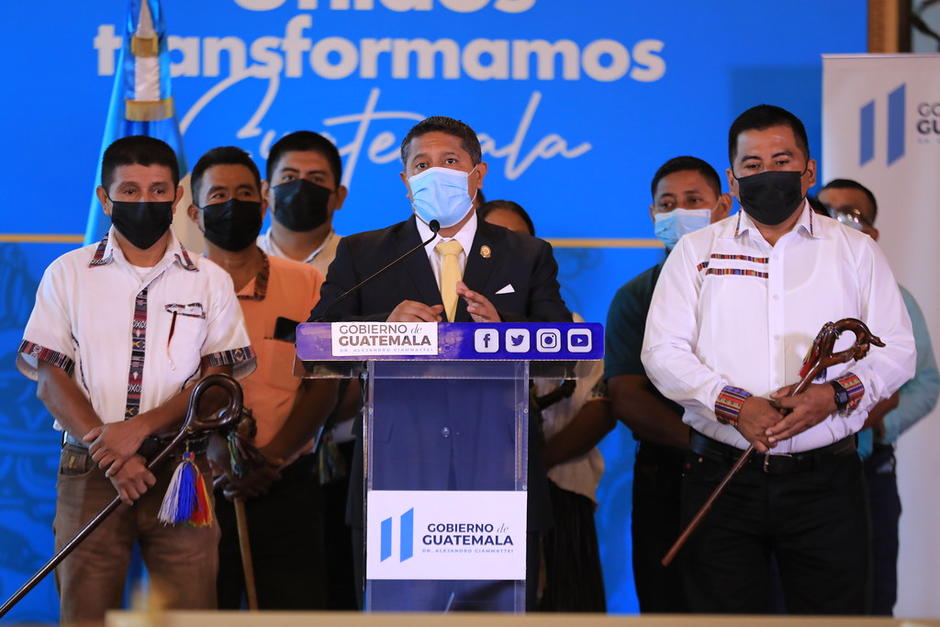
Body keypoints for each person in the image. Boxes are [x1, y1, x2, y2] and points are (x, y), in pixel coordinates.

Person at [641, 105, 915, 614]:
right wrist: (734, 404)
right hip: (719, 474)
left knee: (836, 622)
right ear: (734, 176)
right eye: (752, 164)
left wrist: (834, 395)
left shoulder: (856, 251)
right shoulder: (696, 251)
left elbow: (897, 350)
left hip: (826, 482)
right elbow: (661, 351)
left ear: (808, 171)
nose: (767, 174)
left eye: (781, 160)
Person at [310, 116, 571, 611]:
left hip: (499, 469)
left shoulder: (528, 253)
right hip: (396, 476)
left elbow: (560, 346)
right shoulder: (365, 252)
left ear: (478, 174)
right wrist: (385, 327)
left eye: (449, 162)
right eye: (421, 165)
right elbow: (318, 338)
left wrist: (504, 329)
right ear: (405, 181)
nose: (435, 173)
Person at [16, 136, 256, 623]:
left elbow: (216, 384)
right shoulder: (69, 273)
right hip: (91, 471)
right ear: (105, 199)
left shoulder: (209, 279)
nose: (144, 202)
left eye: (157, 190)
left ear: (176, 197)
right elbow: (49, 377)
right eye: (129, 191)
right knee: (86, 613)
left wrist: (138, 430)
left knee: (188, 615)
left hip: (181, 469)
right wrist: (111, 449)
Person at [187, 146, 340, 609]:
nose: (232, 204)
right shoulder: (174, 287)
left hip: (287, 481)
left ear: (264, 202)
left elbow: (324, 382)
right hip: (195, 483)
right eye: (218, 195)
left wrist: (271, 459)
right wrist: (216, 452)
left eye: (245, 193)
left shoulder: (310, 283)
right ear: (194, 212)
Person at [604, 156, 731, 613]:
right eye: (667, 204)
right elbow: (626, 394)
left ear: (723, 206)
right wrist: (709, 443)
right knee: (667, 604)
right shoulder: (636, 296)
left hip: (754, 477)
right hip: (669, 474)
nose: (679, 212)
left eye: (693, 201)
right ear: (653, 215)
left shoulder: (762, 283)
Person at [480, 199, 613, 612]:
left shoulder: (571, 330)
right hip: (475, 508)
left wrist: (536, 464)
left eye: (517, 241)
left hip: (560, 495)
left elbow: (601, 403)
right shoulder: (447, 333)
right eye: (491, 242)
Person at [818, 178, 940, 616]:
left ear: (872, 233)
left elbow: (925, 381)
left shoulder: (895, 299)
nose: (838, 222)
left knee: (870, 599)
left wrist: (880, 427)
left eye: (853, 215)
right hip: (792, 473)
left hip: (866, 470)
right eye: (827, 211)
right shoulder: (783, 293)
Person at [257, 130, 358, 609]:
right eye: (289, 178)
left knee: (331, 592)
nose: (301, 188)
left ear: (339, 195)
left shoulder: (366, 264)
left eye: (316, 179)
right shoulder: (229, 263)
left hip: (343, 456)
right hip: (241, 459)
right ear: (265, 189)